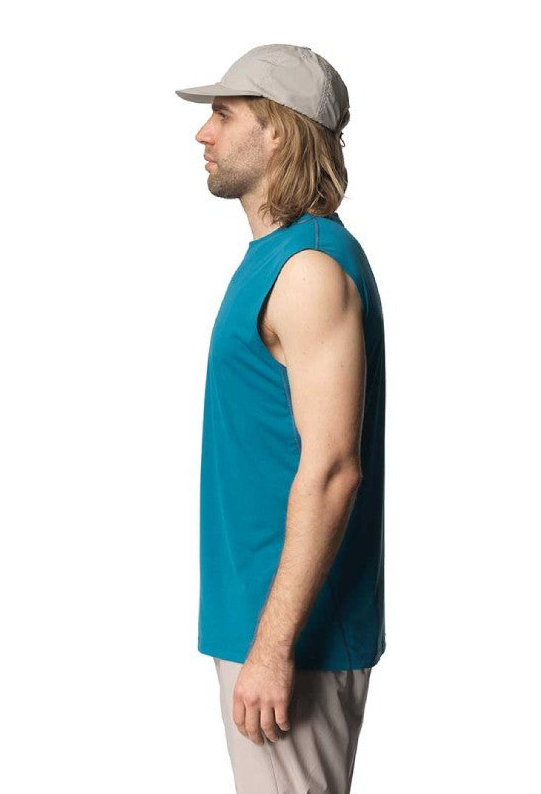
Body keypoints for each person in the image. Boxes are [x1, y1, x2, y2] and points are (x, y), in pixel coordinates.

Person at [175, 44, 386, 794]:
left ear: (278, 131)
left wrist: (272, 647)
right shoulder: (276, 260)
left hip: (293, 638)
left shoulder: (310, 269)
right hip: (262, 621)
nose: (203, 133)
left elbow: (332, 470)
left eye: (223, 114)